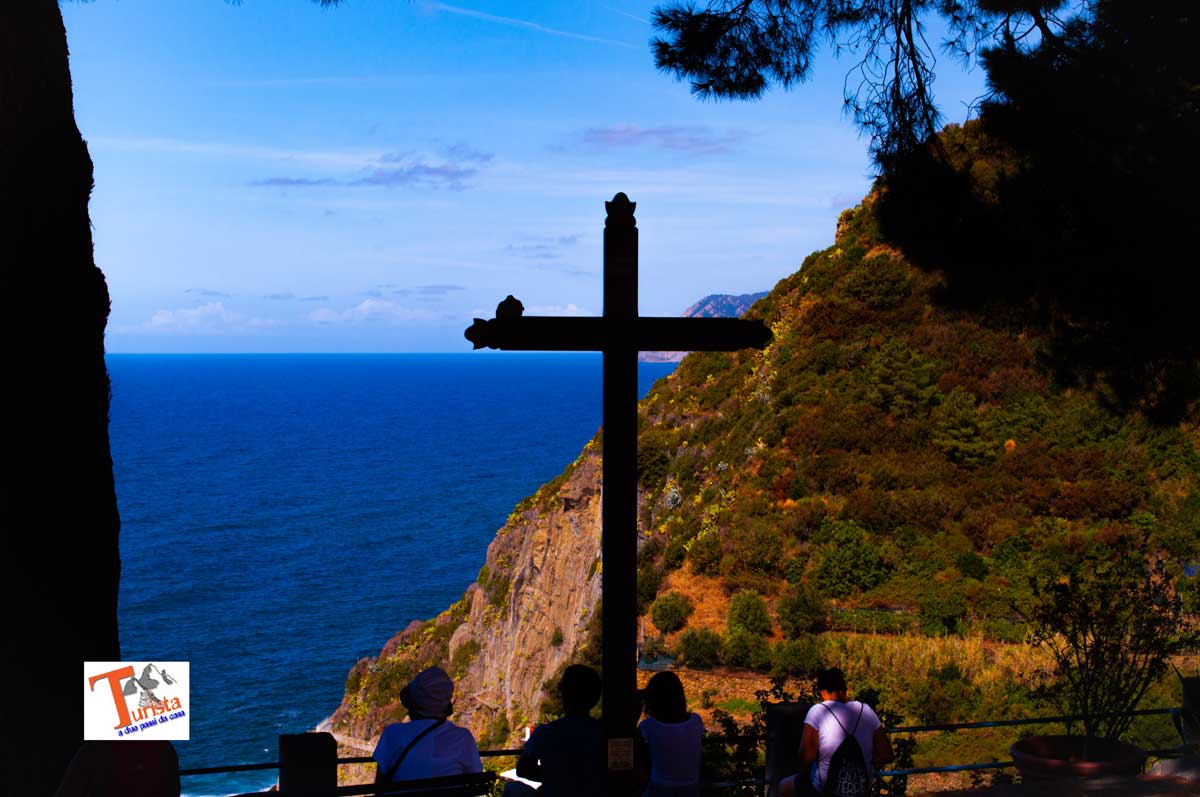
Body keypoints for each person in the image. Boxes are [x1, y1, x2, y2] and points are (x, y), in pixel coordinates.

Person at [780, 667, 893, 797]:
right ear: (846, 690)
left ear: (822, 693)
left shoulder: (818, 711)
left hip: (824, 790)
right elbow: (887, 755)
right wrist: (865, 758)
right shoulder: (866, 711)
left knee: (784, 786)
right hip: (861, 790)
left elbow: (805, 757)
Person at [373, 666, 482, 786]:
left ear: (413, 705)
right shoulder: (462, 738)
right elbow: (475, 778)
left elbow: (379, 786)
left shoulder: (392, 734)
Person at [513, 664, 605, 796]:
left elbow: (523, 769)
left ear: (564, 695)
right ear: (595, 698)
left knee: (512, 788)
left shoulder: (545, 732)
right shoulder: (604, 733)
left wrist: (556, 777)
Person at [637, 671, 704, 797]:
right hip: (692, 790)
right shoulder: (696, 721)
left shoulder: (648, 726)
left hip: (659, 789)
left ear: (652, 699)